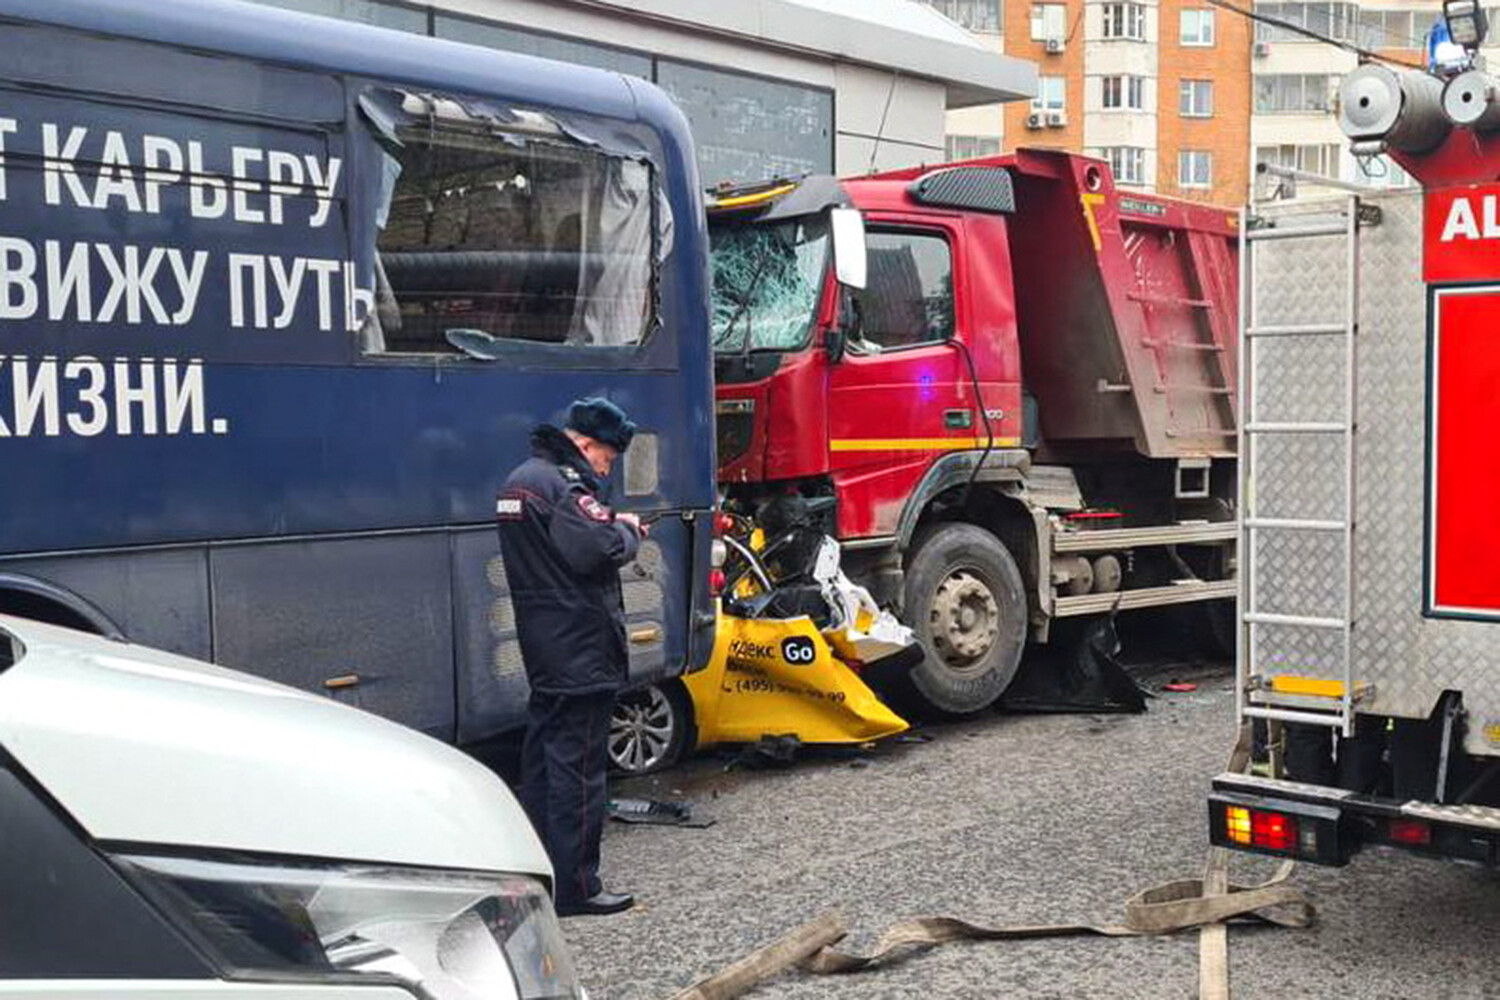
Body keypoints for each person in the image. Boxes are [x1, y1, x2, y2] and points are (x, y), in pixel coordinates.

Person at [496, 397, 646, 917]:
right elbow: (597, 550)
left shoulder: (521, 479)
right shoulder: (562, 486)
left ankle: (538, 872)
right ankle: (578, 887)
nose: (605, 468)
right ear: (585, 443)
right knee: (579, 771)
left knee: (541, 765)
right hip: (581, 648)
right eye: (606, 457)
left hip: (544, 645)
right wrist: (628, 529)